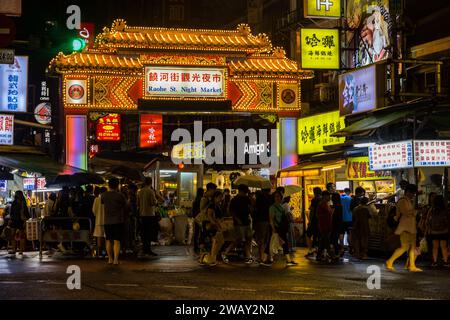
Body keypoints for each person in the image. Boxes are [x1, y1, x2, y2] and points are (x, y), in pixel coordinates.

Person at [386, 184, 422, 272]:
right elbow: (406, 212)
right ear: (408, 192)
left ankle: (412, 265)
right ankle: (390, 261)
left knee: (412, 247)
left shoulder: (408, 200)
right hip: (404, 227)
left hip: (411, 227)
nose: (413, 195)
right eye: (412, 193)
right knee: (404, 247)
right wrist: (416, 211)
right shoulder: (402, 201)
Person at [222, 184, 254, 264]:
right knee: (238, 239)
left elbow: (252, 207)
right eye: (245, 192)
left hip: (246, 221)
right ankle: (225, 253)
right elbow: (231, 211)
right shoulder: (235, 199)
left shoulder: (247, 198)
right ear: (241, 191)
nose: (246, 193)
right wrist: (236, 219)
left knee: (248, 238)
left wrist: (250, 197)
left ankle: (248, 256)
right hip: (239, 222)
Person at [102, 178, 128, 265]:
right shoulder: (120, 195)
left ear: (108, 185)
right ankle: (116, 260)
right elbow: (126, 206)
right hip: (118, 221)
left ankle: (110, 259)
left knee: (108, 240)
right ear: (117, 185)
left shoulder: (103, 195)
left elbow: (103, 206)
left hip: (107, 221)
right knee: (117, 241)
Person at [269, 191, 297, 266]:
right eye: (276, 197)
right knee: (281, 243)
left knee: (283, 243)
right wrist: (273, 229)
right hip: (277, 228)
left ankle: (266, 259)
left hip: (282, 228)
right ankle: (287, 260)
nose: (278, 198)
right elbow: (271, 219)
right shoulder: (273, 207)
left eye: (279, 197)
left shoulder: (281, 207)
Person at [202, 191, 225, 266]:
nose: (221, 199)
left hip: (214, 225)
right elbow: (209, 216)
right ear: (215, 197)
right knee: (217, 242)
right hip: (212, 226)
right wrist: (216, 225)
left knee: (218, 242)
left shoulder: (216, 205)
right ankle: (212, 259)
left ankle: (212, 259)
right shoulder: (212, 205)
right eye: (220, 197)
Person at [137, 177, 159, 257]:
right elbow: (153, 202)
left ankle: (144, 249)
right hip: (149, 214)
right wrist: (156, 200)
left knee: (143, 233)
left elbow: (138, 203)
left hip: (142, 215)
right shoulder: (151, 191)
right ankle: (148, 250)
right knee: (149, 233)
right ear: (151, 182)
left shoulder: (140, 191)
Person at [428, 195, 449, 267]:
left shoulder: (432, 209)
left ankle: (434, 262)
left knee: (435, 247)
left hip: (434, 231)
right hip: (444, 231)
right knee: (443, 246)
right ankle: (446, 262)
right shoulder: (445, 210)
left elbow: (428, 220)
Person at [254, 188, 273, 266]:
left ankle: (261, 257)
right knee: (267, 239)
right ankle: (267, 256)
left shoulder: (259, 199)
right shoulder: (270, 198)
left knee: (261, 239)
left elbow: (255, 210)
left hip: (260, 220)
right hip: (268, 220)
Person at [8, 191, 30, 255]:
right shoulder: (17, 202)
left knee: (19, 236)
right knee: (15, 236)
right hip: (16, 220)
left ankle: (18, 250)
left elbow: (26, 213)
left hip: (18, 220)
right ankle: (16, 250)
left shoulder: (21, 202)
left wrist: (25, 221)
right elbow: (12, 212)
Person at [316, 191, 333, 262]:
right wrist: (329, 213)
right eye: (328, 196)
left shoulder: (325, 204)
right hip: (324, 225)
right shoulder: (322, 204)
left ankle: (319, 255)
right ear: (325, 196)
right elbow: (318, 215)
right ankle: (331, 254)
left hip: (326, 225)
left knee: (323, 241)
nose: (329, 197)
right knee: (326, 241)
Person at [305, 187, 322, 257]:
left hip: (314, 220)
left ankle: (310, 249)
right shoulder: (322, 199)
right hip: (321, 220)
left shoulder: (314, 200)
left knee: (308, 234)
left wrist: (309, 221)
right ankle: (317, 249)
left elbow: (312, 211)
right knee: (318, 235)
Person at [93, 186, 107, 258]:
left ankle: (99, 252)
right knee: (106, 237)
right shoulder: (107, 200)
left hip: (98, 221)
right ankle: (106, 252)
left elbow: (94, 211)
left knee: (99, 236)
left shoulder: (96, 199)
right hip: (106, 221)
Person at [191, 188, 204, 254]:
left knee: (196, 232)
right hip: (201, 218)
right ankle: (200, 246)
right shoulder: (202, 200)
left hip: (196, 218)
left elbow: (193, 211)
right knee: (201, 232)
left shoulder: (195, 200)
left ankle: (195, 247)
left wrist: (194, 217)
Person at [330, 193, 343, 259]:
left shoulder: (335, 206)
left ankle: (336, 253)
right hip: (339, 224)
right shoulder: (340, 205)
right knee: (335, 239)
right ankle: (337, 252)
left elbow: (333, 217)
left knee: (334, 239)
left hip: (334, 224)